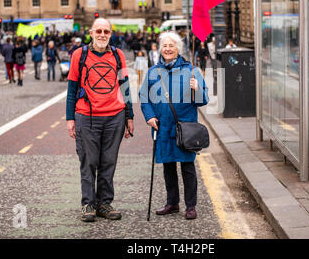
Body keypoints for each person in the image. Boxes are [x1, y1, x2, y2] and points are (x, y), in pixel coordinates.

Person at [66, 17, 134, 222]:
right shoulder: (80, 54)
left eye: (106, 31)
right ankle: (88, 204)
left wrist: (129, 116)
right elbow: (71, 90)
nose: (102, 35)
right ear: (91, 33)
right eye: (99, 31)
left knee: (108, 162)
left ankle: (104, 203)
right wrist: (70, 119)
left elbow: (125, 87)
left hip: (115, 116)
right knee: (88, 161)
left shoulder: (118, 55)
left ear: (111, 34)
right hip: (87, 117)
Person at [139, 31, 209, 220]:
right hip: (162, 127)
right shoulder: (153, 72)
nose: (168, 49)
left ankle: (191, 206)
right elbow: (144, 97)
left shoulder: (191, 70)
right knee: (168, 167)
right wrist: (150, 116)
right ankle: (172, 203)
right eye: (165, 46)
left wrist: (197, 89)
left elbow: (203, 101)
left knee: (187, 167)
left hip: (185, 128)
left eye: (172, 46)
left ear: (178, 48)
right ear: (160, 49)